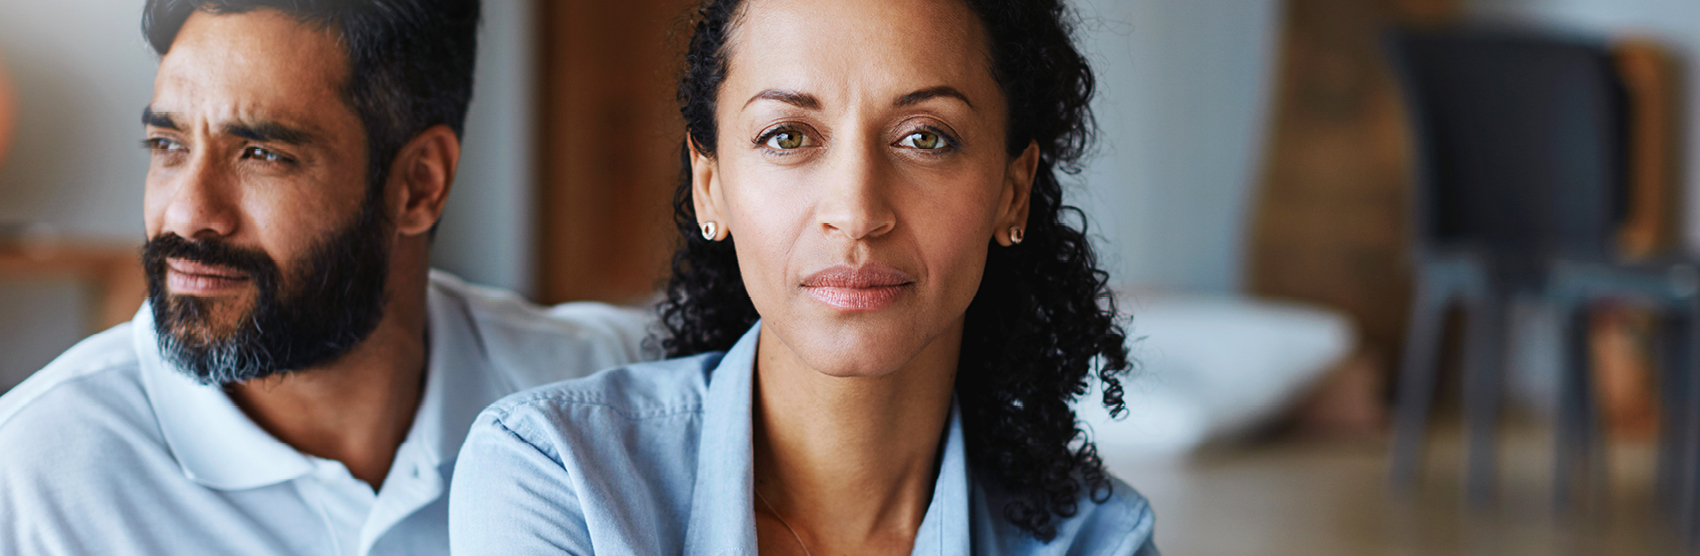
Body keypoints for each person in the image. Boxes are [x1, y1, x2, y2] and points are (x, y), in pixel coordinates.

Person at [448, 0, 1159, 552]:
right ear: (710, 186)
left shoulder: (1098, 541)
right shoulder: (555, 477)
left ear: (1013, 191)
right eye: (787, 136)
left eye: (925, 137)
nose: (855, 212)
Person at [0, 1, 654, 555]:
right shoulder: (31, 478)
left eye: (261, 153)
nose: (188, 214)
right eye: (168, 146)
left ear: (419, 184)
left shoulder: (607, 398)